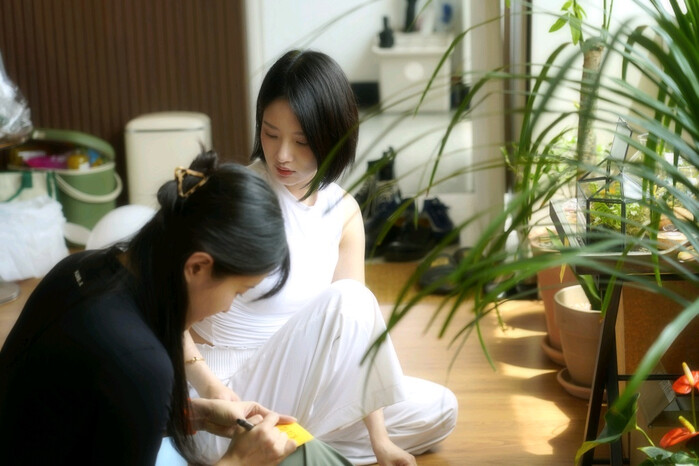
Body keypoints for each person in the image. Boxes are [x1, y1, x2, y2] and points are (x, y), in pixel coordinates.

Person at [185, 50, 458, 465]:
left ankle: (293, 445)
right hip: (225, 400)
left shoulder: (343, 212)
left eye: (301, 142)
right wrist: (210, 389)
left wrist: (381, 441)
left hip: (301, 392)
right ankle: (282, 446)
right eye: (270, 134)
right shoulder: (235, 195)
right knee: (350, 298)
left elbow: (358, 338)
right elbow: (164, 307)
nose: (282, 155)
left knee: (440, 408)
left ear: (334, 138)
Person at [0, 150, 349, 466]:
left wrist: (193, 415)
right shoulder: (141, 360)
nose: (227, 308)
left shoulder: (79, 267)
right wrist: (240, 461)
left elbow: (84, 411)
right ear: (197, 267)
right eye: (238, 291)